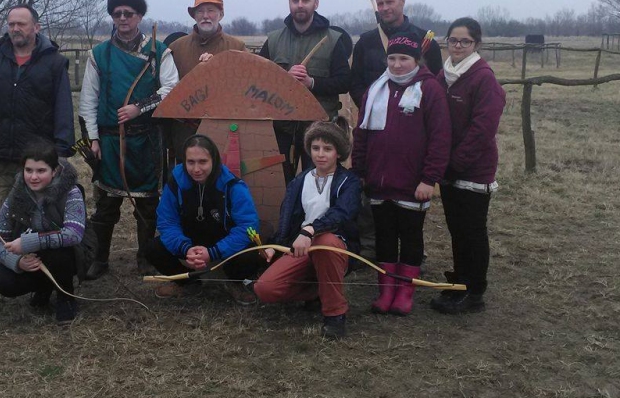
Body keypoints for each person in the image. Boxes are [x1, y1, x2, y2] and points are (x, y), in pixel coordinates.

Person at [78, 0, 179, 279]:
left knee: (148, 206)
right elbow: (88, 99)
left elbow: (171, 89)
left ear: (139, 16)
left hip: (146, 140)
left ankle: (146, 258)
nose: (123, 19)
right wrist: (92, 140)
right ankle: (100, 259)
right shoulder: (100, 54)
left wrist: (140, 107)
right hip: (110, 142)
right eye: (117, 13)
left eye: (129, 13)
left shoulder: (159, 51)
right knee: (106, 205)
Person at [352, 32, 451, 316]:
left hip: (413, 183)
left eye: (404, 59)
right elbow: (362, 134)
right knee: (384, 237)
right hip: (379, 181)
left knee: (410, 237)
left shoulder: (429, 90)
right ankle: (385, 290)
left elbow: (440, 138)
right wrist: (360, 170)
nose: (396, 65)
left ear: (416, 60)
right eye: (392, 58)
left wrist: (429, 178)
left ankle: (405, 291)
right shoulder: (376, 89)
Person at [255, 120, 361, 339]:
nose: (320, 154)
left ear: (338, 153)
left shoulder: (349, 181)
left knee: (326, 243)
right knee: (265, 288)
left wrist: (311, 230)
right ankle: (319, 291)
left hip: (336, 246)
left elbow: (341, 214)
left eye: (327, 149)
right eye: (315, 148)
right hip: (302, 246)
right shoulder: (299, 182)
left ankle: (335, 314)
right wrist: (276, 245)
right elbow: (287, 220)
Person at [431, 17, 506, 314]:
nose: (458, 46)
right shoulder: (443, 75)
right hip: (447, 168)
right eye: (453, 40)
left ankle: (474, 291)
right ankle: (459, 283)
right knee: (456, 229)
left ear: (476, 44)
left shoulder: (482, 78)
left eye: (465, 41)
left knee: (472, 230)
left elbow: (482, 129)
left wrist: (456, 163)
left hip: (472, 170)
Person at [0, 4, 75, 204]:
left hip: (39, 156)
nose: (15, 28)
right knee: (5, 212)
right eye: (11, 24)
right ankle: (5, 238)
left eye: (21, 24)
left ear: (36, 27)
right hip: (3, 153)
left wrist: (61, 152)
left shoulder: (54, 62)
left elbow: (64, 109)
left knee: (39, 213)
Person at [147, 134, 261, 305]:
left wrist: (213, 252)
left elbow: (247, 225)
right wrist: (185, 248)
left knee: (254, 252)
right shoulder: (176, 182)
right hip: (190, 243)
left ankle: (232, 282)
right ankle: (188, 283)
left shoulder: (232, 186)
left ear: (213, 160)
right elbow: (167, 221)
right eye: (191, 162)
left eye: (202, 162)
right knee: (153, 248)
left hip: (223, 245)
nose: (196, 169)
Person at [259, 0, 351, 183]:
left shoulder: (333, 40)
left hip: (319, 128)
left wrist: (312, 83)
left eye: (305, 0)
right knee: (280, 183)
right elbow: (258, 82)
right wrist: (284, 79)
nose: (300, 4)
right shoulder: (273, 40)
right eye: (295, 0)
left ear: (316, 3)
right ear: (289, 3)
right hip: (280, 129)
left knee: (317, 183)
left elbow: (345, 82)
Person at [0, 140, 86, 325]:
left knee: (60, 255)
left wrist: (27, 242)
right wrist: (17, 262)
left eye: (41, 171)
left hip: (67, 252)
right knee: (5, 284)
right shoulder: (16, 194)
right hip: (31, 256)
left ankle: (66, 296)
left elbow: (74, 234)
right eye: (28, 170)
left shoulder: (71, 192)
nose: (33, 177)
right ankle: (45, 286)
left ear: (54, 171)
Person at [167, 0, 246, 161]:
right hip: (184, 130)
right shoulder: (176, 48)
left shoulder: (237, 47)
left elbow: (245, 87)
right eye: (200, 12)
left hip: (222, 127)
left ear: (221, 15)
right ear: (194, 16)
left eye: (211, 10)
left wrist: (218, 68)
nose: (205, 16)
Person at [349, 0, 443, 108]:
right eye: (380, 4)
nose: (385, 8)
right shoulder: (365, 43)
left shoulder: (425, 41)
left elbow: (436, 84)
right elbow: (355, 83)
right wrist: (370, 108)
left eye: (389, 2)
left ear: (402, 1)